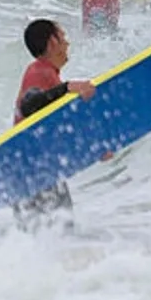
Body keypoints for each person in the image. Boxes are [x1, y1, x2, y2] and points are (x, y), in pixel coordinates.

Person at [11, 18, 96, 227]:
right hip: (32, 169)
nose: (67, 43)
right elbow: (29, 106)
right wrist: (66, 88)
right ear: (52, 43)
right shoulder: (38, 72)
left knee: (46, 239)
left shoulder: (47, 75)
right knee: (60, 232)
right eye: (63, 37)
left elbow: (54, 127)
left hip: (35, 169)